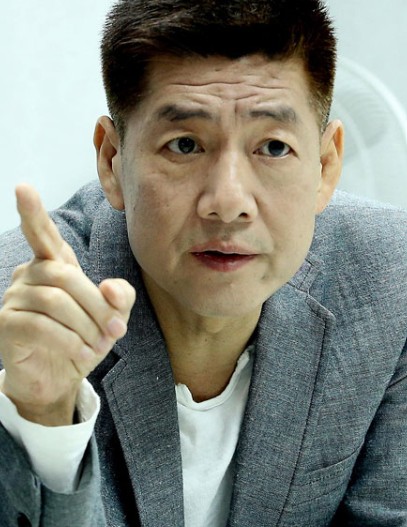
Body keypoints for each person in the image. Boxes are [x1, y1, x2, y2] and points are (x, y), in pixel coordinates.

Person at [0, 0, 406, 525]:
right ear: (112, 160)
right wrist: (45, 417)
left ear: (326, 166)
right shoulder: (20, 318)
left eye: (274, 147)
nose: (228, 201)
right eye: (185, 144)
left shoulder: (388, 283)